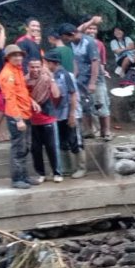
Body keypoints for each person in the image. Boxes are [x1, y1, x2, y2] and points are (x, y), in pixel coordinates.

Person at [0, 44, 41, 189]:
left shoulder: (17, 70)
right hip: (17, 117)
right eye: (14, 55)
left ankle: (24, 176)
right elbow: (10, 99)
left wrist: (32, 101)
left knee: (25, 148)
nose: (18, 57)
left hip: (25, 114)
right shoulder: (7, 74)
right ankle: (17, 179)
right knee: (18, 148)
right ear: (8, 58)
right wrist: (18, 120)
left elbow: (22, 92)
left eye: (20, 55)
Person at [45, 49, 85, 179]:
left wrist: (72, 115)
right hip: (58, 115)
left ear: (53, 63)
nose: (44, 65)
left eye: (46, 62)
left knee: (75, 140)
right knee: (62, 142)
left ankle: (81, 167)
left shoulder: (65, 75)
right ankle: (67, 167)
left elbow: (73, 95)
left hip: (70, 113)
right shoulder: (51, 76)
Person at [26, 57, 63, 183]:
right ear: (28, 68)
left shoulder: (47, 79)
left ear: (42, 67)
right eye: (32, 67)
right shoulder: (25, 81)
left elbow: (57, 95)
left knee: (52, 147)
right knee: (36, 149)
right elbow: (23, 96)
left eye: (38, 67)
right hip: (33, 120)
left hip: (48, 118)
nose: (35, 69)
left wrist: (52, 79)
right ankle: (41, 173)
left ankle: (57, 173)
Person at [78, 16, 112, 141]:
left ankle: (106, 131)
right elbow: (77, 31)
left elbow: (101, 63)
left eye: (94, 29)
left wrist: (104, 72)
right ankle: (88, 131)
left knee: (102, 104)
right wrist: (91, 21)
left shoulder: (100, 44)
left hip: (97, 78)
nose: (92, 31)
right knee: (86, 106)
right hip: (83, 78)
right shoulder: (79, 42)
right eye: (89, 28)